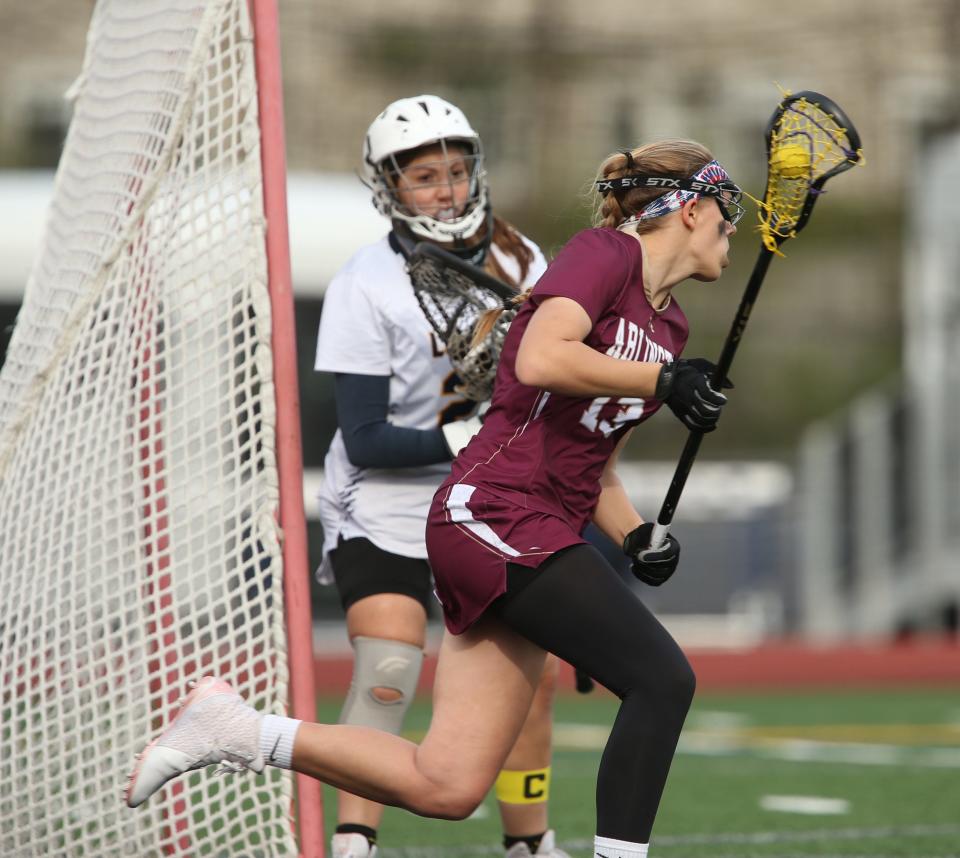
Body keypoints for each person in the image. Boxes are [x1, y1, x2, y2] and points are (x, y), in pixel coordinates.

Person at [126, 137, 742, 858]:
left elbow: (593, 459)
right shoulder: (605, 255)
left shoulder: (671, 327)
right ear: (693, 209)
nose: (734, 234)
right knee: (663, 680)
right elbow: (543, 357)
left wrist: (636, 534)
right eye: (728, 217)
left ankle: (235, 730)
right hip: (494, 510)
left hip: (539, 525)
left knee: (445, 785)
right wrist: (662, 384)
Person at [311, 94, 568, 858]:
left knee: (531, 683)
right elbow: (365, 440)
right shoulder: (364, 283)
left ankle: (529, 844)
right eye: (425, 177)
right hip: (385, 507)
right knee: (388, 670)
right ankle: (355, 842)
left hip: (489, 506)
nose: (447, 191)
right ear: (390, 186)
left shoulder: (527, 263)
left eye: (457, 172)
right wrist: (475, 432)